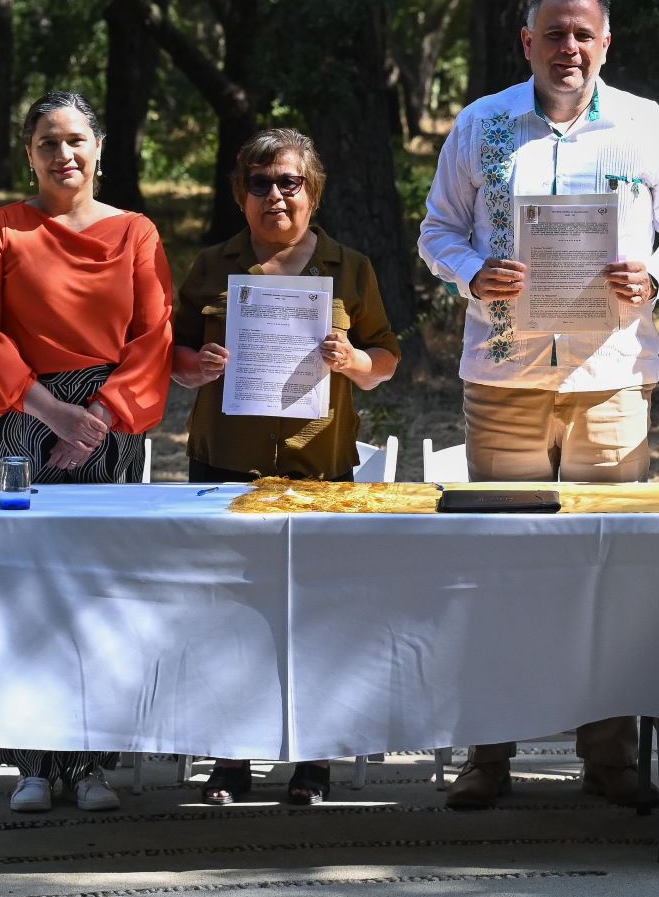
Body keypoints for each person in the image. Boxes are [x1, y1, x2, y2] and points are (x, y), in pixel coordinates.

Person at [418, 0, 659, 810]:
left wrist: (653, 272)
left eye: (583, 34)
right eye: (554, 33)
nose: (568, 48)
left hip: (610, 380)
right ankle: (489, 752)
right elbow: (436, 227)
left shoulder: (645, 126)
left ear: (606, 43)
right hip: (506, 380)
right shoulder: (482, 125)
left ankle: (609, 754)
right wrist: (476, 272)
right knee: (498, 567)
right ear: (528, 41)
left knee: (608, 571)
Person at [0, 90, 174, 815]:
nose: (64, 154)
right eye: (48, 141)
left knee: (96, 586)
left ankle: (89, 762)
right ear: (29, 152)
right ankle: (32, 764)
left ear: (100, 146)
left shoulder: (136, 233)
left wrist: (101, 417)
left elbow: (154, 337)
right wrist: (51, 411)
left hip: (108, 425)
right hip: (23, 415)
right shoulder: (0, 232)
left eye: (76, 139)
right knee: (25, 587)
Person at [172, 127, 402, 807]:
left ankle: (312, 761)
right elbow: (174, 355)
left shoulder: (349, 267)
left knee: (317, 617)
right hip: (224, 470)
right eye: (261, 183)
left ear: (315, 190)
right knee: (228, 617)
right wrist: (198, 366)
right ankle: (230, 758)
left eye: (290, 183)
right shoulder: (213, 266)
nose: (276, 195)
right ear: (240, 194)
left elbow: (384, 357)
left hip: (318, 475)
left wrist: (353, 361)